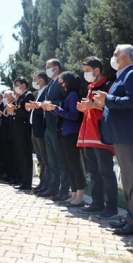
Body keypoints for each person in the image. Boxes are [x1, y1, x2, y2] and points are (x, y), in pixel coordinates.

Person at [94, 44, 133, 236]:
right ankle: (130, 218)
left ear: (125, 57)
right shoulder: (122, 76)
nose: (113, 57)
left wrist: (107, 99)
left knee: (132, 179)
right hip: (121, 135)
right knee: (127, 179)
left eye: (116, 54)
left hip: (130, 135)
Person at [76, 57, 118, 220]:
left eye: (87, 70)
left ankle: (112, 206)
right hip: (88, 136)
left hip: (101, 136)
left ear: (97, 70)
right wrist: (84, 108)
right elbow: (93, 108)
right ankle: (96, 203)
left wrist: (92, 105)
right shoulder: (91, 87)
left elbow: (112, 106)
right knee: (93, 172)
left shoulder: (108, 85)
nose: (85, 74)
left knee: (106, 172)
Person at [45, 71, 85, 207]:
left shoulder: (73, 95)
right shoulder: (67, 95)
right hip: (64, 132)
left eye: (61, 81)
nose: (59, 84)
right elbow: (62, 113)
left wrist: (56, 108)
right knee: (68, 165)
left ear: (67, 82)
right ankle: (73, 194)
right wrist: (53, 109)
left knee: (74, 165)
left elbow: (73, 116)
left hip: (71, 133)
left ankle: (79, 196)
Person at [37, 59, 69, 200]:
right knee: (52, 160)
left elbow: (66, 100)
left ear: (56, 68)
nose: (46, 69)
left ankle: (64, 189)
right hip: (48, 126)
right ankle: (53, 187)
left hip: (57, 125)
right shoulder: (50, 84)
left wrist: (52, 104)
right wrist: (41, 104)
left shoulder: (63, 81)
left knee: (61, 159)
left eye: (48, 67)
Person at [8, 77, 35, 190]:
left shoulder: (28, 95)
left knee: (25, 156)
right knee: (20, 156)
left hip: (24, 130)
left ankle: (26, 182)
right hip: (18, 130)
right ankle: (22, 179)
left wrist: (14, 110)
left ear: (23, 85)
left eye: (17, 85)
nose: (15, 87)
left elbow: (27, 113)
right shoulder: (20, 97)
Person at [28, 71, 49, 193]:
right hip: (34, 128)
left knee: (45, 158)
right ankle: (42, 183)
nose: (33, 82)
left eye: (35, 79)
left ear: (41, 80)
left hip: (41, 128)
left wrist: (38, 106)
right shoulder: (38, 93)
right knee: (40, 158)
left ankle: (46, 184)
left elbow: (46, 108)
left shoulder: (47, 90)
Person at [0, 90, 17, 183]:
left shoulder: (13, 105)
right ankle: (7, 174)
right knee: (6, 156)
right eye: (3, 96)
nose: (4, 98)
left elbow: (11, 119)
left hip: (11, 135)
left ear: (12, 97)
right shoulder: (5, 106)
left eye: (6, 96)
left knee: (12, 156)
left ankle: (13, 176)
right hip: (4, 135)